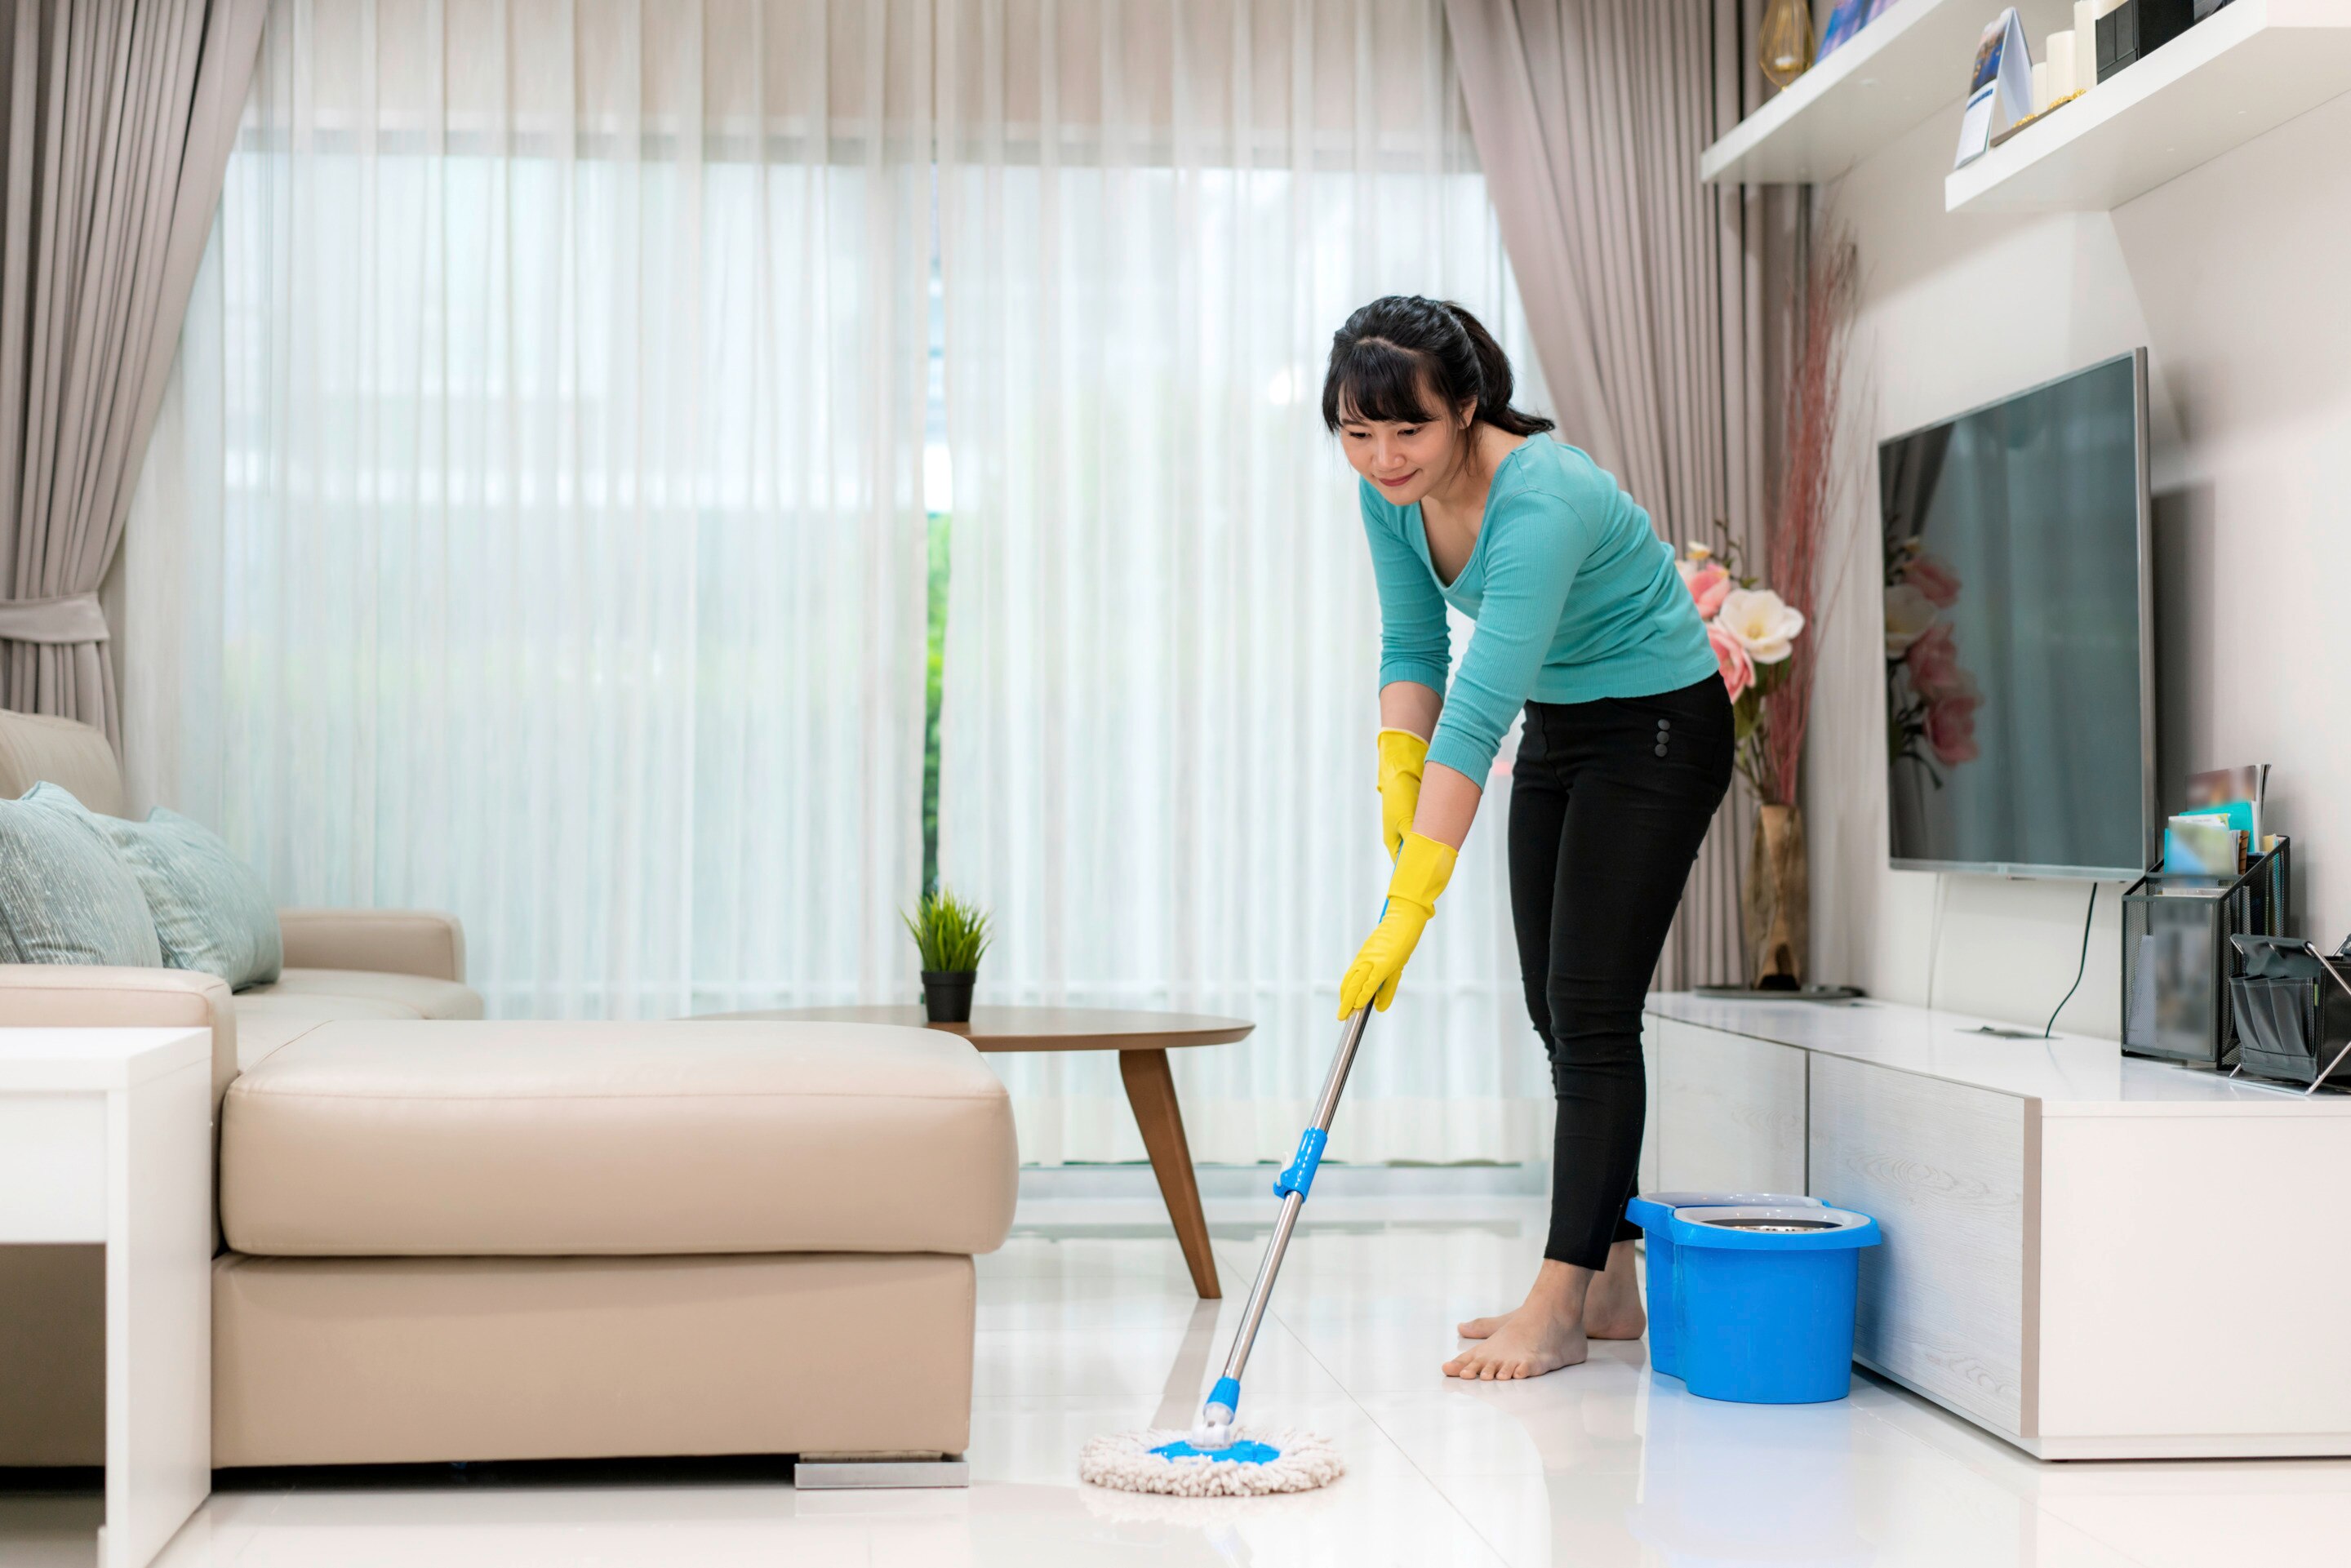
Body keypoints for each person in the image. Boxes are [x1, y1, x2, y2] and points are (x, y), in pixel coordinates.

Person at [1323, 295, 1732, 1380]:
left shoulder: (1541, 496)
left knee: (1595, 1010)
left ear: (1465, 405)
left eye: (1406, 428)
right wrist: (1393, 766)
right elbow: (1415, 642)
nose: (1383, 456)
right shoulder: (1392, 495)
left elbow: (1480, 703)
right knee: (1554, 1006)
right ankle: (1608, 1283)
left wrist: (1410, 903)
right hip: (1562, 725)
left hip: (1655, 726)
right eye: (1357, 433)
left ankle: (1555, 1301)